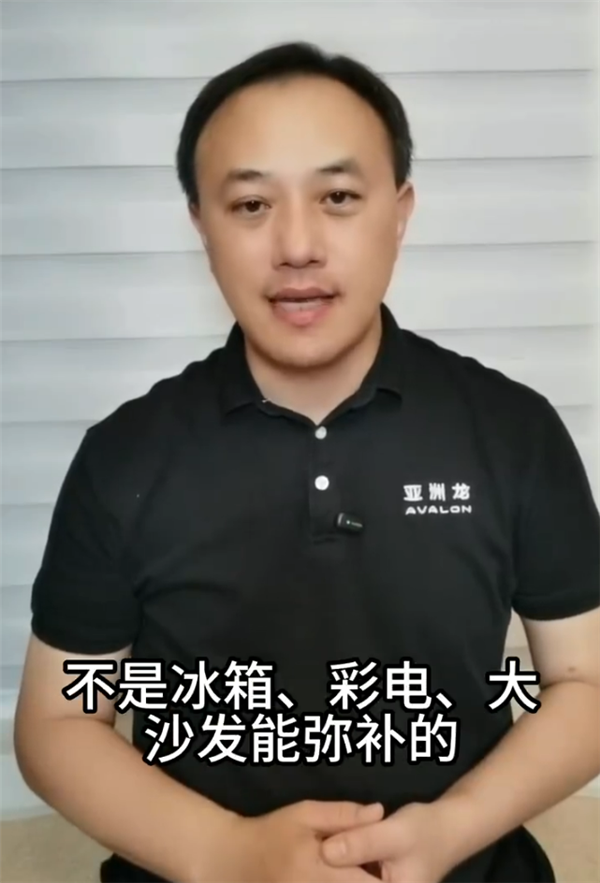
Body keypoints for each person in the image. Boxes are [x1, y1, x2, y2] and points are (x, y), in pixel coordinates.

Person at [13, 41, 600, 883]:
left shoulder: (513, 431)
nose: (296, 245)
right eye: (251, 204)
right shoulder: (126, 456)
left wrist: (448, 831)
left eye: (338, 197)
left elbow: (584, 680)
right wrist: (229, 854)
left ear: (400, 211)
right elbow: (58, 723)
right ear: (200, 225)